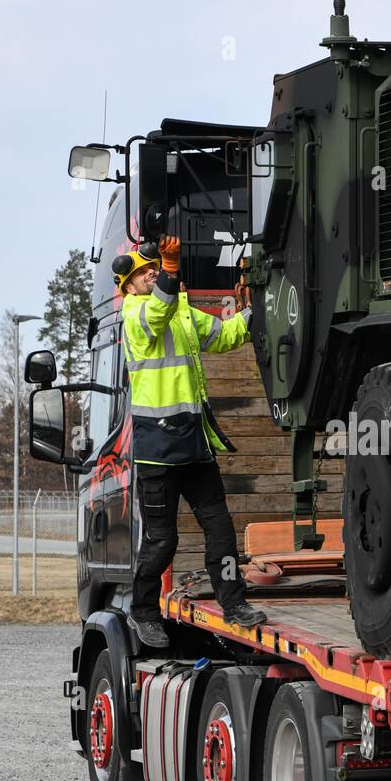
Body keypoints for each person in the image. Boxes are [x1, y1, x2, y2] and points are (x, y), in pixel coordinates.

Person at [113, 235, 267, 648]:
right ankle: (143, 611)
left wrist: (260, 310)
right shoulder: (136, 316)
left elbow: (224, 334)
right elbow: (159, 309)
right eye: (143, 273)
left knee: (221, 531)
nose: (150, 277)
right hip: (158, 452)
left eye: (153, 271)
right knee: (163, 540)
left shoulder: (179, 312)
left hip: (194, 444)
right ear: (127, 286)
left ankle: (234, 604)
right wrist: (170, 270)